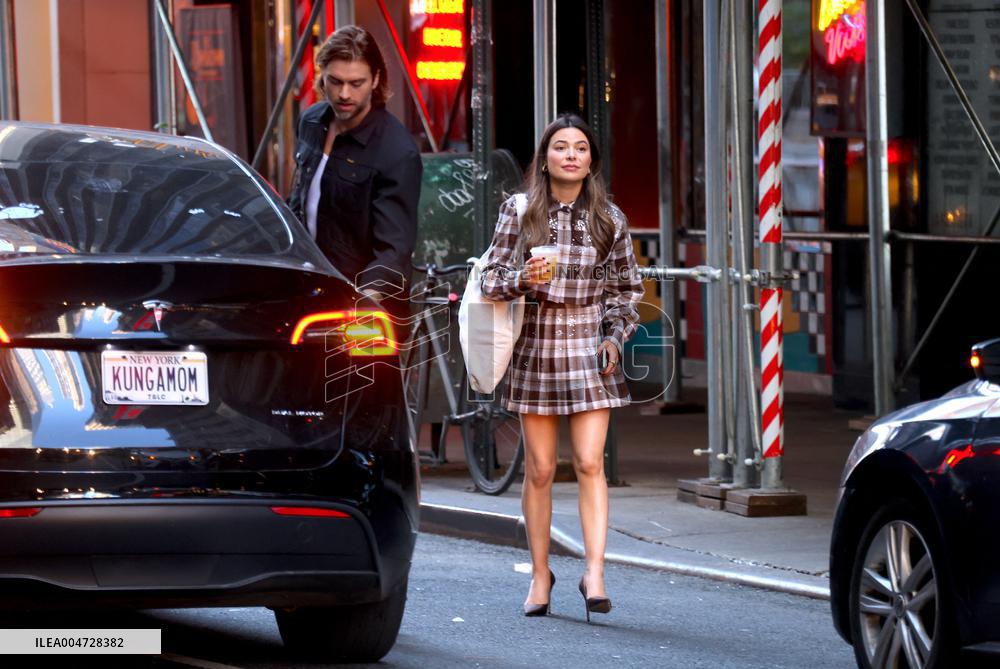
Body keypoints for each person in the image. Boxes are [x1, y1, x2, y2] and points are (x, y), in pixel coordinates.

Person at [480, 114, 644, 620]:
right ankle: (539, 572)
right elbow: (488, 279)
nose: (570, 155)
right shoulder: (520, 209)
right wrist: (521, 278)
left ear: (591, 159)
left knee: (591, 463)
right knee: (542, 469)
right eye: (560, 147)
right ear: (545, 157)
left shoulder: (610, 218)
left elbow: (626, 291)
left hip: (590, 346)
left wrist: (615, 337)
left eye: (580, 148)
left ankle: (594, 571)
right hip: (536, 344)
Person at [288, 25, 422, 307]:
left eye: (356, 83)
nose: (344, 94)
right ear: (322, 76)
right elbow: (299, 201)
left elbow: (394, 248)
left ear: (375, 80)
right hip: (309, 290)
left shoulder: (397, 151)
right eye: (335, 81)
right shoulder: (311, 122)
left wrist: (365, 300)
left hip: (365, 304)